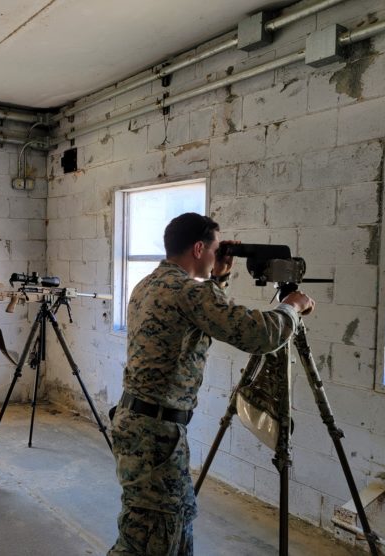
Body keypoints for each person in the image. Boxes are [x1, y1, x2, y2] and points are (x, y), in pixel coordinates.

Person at [109, 212, 315, 555]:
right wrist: (291, 308)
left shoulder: (149, 284)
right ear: (199, 247)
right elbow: (258, 334)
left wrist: (218, 278)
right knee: (152, 536)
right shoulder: (188, 292)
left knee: (163, 524)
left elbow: (198, 316)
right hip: (157, 436)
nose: (219, 256)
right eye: (216, 250)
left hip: (138, 424)